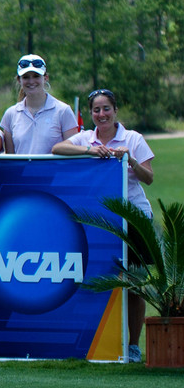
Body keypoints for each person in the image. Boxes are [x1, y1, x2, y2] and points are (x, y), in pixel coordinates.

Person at [52, 88, 154, 363]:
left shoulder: (133, 138)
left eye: (106, 108)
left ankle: (133, 346)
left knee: (134, 285)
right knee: (95, 278)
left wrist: (129, 159)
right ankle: (95, 342)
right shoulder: (85, 138)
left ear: (115, 110)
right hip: (100, 221)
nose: (101, 114)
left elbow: (149, 178)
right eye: (96, 110)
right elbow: (57, 148)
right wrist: (90, 150)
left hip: (134, 219)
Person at [0, 54, 78, 154]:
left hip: (55, 170)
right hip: (22, 170)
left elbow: (74, 153)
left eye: (36, 76)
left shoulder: (63, 111)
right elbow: (10, 159)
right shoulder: (10, 114)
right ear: (19, 80)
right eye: (26, 77)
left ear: (45, 78)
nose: (31, 81)